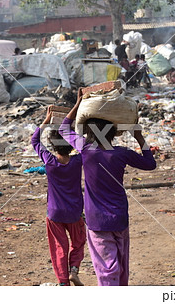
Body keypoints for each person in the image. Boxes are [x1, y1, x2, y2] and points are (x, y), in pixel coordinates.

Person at [59, 89, 156, 286]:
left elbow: (63, 129)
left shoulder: (86, 149)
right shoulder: (122, 153)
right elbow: (150, 164)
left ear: (88, 132)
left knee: (106, 268)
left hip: (98, 220)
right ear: (113, 132)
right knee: (121, 265)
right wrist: (139, 137)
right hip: (120, 217)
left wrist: (77, 104)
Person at [31, 107, 86, 286]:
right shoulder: (78, 161)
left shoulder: (50, 161)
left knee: (59, 248)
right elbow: (87, 146)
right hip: (74, 211)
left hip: (55, 213)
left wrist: (46, 121)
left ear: (53, 145)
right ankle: (74, 270)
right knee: (78, 242)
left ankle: (63, 283)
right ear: (71, 145)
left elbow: (34, 140)